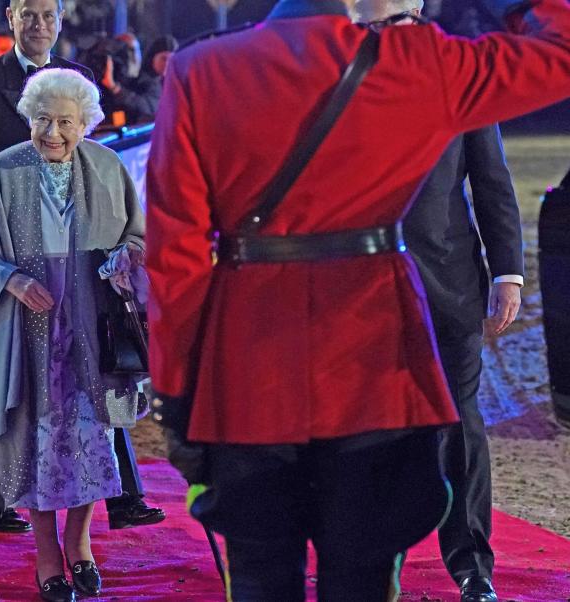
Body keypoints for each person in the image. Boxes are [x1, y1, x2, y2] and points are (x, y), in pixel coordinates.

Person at [146, 0, 570, 599]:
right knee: (365, 574)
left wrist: (177, 393)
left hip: (249, 363)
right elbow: (560, 51)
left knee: (262, 575)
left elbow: (174, 259)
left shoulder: (200, 67)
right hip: (373, 359)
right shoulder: (416, 62)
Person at [0, 0, 164, 533]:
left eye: (48, 14)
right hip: (16, 277)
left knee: (93, 404)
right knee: (15, 404)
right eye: (28, 13)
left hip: (86, 299)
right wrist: (5, 236)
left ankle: (110, 506)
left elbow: (133, 229)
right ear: (10, 18)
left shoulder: (87, 112)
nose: (55, 131)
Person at [0, 67, 147, 602]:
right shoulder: (2, 171)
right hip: (26, 330)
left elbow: (139, 236)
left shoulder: (107, 168)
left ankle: (79, 543)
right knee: (34, 438)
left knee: (91, 437)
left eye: (65, 121)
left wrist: (127, 259)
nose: (53, 133)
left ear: (87, 124)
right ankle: (46, 555)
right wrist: (9, 278)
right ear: (27, 119)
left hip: (91, 330)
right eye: (42, 120)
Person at [355, 5, 523, 602]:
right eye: (372, 21)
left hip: (448, 287)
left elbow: (492, 180)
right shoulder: (332, 77)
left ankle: (472, 566)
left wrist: (508, 272)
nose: (383, 32)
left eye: (394, 16)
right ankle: (372, 565)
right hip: (358, 296)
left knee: (459, 426)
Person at [102, 35, 178, 124]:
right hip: (121, 125)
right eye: (164, 58)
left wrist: (115, 88)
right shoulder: (139, 77)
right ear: (153, 57)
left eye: (170, 59)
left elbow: (148, 107)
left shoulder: (169, 84)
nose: (167, 64)